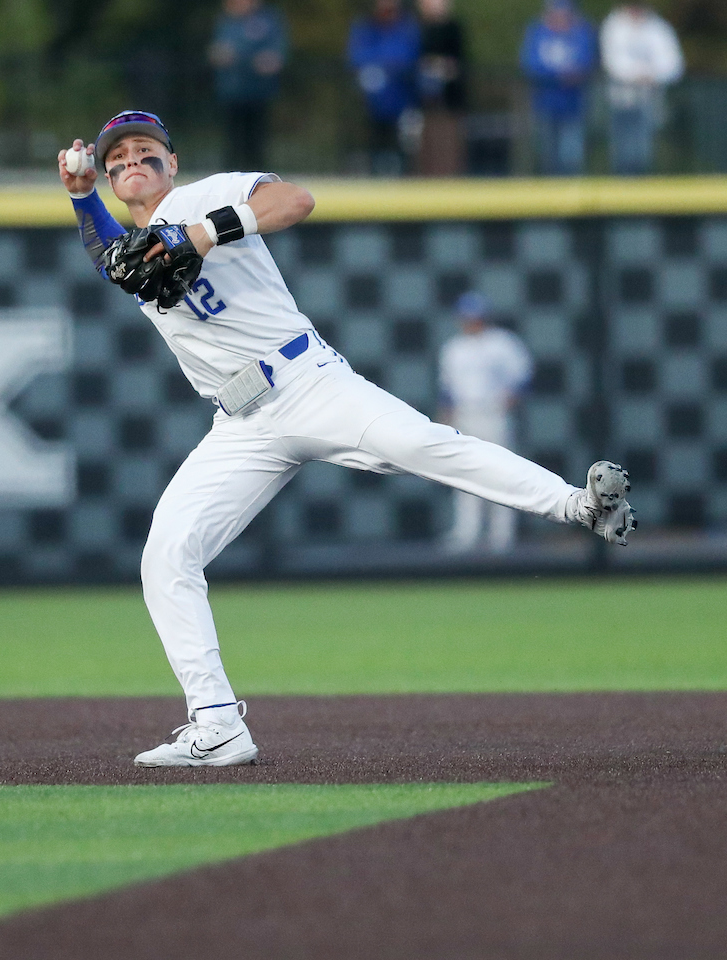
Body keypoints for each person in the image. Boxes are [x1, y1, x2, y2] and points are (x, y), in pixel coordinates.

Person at [56, 110, 636, 767]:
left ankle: (579, 508)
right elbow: (112, 259)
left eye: (145, 151)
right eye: (118, 159)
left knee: (424, 444)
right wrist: (80, 196)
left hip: (308, 382)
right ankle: (217, 724)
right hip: (240, 424)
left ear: (172, 162)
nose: (133, 161)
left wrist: (201, 232)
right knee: (166, 556)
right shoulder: (136, 248)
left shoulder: (202, 196)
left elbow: (294, 200)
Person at [438, 293, 533, 553]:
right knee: (463, 473)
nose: (472, 322)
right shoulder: (453, 348)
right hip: (465, 414)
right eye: (467, 318)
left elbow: (523, 377)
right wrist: (445, 418)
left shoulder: (502, 343)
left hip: (493, 413)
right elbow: (447, 390)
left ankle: (502, 536)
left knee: (502, 471)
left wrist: (510, 400)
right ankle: (466, 533)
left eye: (476, 318)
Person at [599, 3, 683, 176]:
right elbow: (612, 62)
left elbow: (673, 65)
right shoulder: (613, 25)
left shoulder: (658, 27)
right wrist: (639, 75)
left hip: (650, 102)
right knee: (622, 154)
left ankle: (640, 196)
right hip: (621, 101)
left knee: (643, 155)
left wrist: (652, 76)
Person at [207, 0, 289, 172]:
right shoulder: (226, 23)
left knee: (256, 136)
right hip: (232, 90)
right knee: (233, 136)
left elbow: (276, 54)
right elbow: (217, 52)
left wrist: (268, 61)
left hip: (258, 90)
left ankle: (256, 173)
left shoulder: (267, 21)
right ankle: (231, 172)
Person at [520, 0, 597, 176]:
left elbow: (586, 61)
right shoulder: (537, 32)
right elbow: (530, 64)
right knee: (547, 158)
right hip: (544, 104)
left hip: (574, 106)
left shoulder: (581, 32)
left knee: (571, 159)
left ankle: (572, 200)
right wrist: (558, 76)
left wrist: (573, 74)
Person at [347, 0, 422, 176]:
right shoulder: (365, 27)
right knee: (375, 140)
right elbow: (356, 57)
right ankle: (375, 173)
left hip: (402, 99)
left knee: (403, 143)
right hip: (372, 102)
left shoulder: (408, 28)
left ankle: (404, 175)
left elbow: (408, 57)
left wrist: (386, 69)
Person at [416, 0, 468, 176]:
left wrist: (442, 68)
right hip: (425, 103)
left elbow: (459, 64)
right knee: (427, 148)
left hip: (449, 102)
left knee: (448, 147)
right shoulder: (417, 29)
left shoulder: (454, 29)